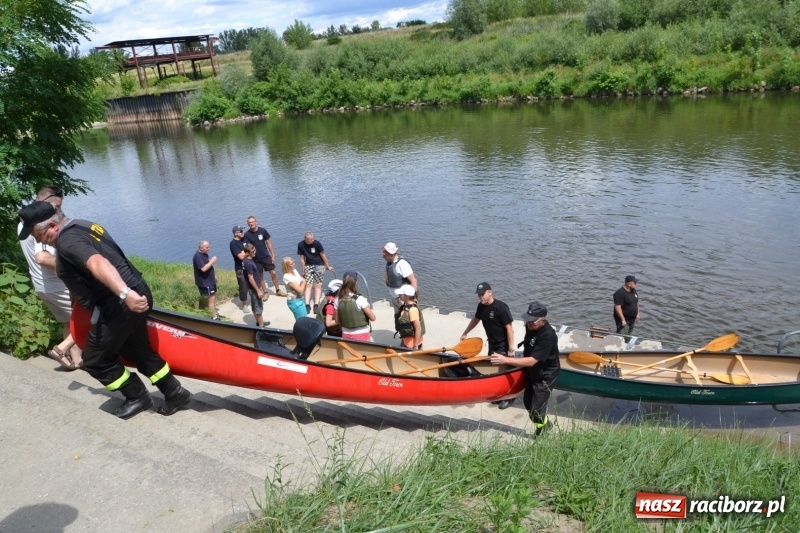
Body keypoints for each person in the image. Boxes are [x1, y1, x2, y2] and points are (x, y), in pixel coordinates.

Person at [19, 201, 192, 419]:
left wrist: (124, 294)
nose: (38, 240)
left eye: (37, 235)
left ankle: (136, 396)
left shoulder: (68, 240)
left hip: (120, 302)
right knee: (136, 349)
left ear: (53, 226)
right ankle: (175, 392)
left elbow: (97, 262)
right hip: (137, 289)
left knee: (95, 360)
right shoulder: (83, 224)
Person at [17, 185, 83, 370]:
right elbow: (42, 257)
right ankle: (61, 350)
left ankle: (76, 360)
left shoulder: (24, 221)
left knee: (67, 322)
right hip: (56, 285)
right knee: (87, 318)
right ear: (44, 202)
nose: (59, 211)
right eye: (56, 206)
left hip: (41, 285)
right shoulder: (40, 223)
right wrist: (75, 268)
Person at [491, 302, 560, 437]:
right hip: (532, 370)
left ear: (543, 320)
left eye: (532, 322)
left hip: (545, 374)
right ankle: (545, 424)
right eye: (527, 320)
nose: (528, 324)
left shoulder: (548, 336)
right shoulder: (531, 325)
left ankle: (543, 430)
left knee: (536, 409)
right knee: (527, 403)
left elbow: (532, 361)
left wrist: (505, 360)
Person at [460, 282, 516, 409]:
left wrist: (511, 349)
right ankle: (499, 395)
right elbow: (475, 319)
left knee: (505, 372)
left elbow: (509, 328)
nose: (481, 297)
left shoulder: (501, 307)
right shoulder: (481, 306)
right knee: (494, 371)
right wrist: (465, 332)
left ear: (490, 292)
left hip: (503, 345)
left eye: (483, 294)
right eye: (479, 295)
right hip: (492, 343)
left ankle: (510, 397)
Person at [242, 215, 286, 297]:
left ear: (256, 222)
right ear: (248, 224)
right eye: (249, 223)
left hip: (266, 256)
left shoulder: (262, 231)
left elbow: (268, 243)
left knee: (273, 273)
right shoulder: (247, 235)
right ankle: (265, 292)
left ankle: (278, 290)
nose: (251, 224)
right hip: (256, 259)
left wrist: (273, 255)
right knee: (260, 276)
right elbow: (247, 248)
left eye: (252, 222)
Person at [297, 232, 334, 315]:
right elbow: (302, 258)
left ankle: (316, 304)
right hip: (308, 265)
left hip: (319, 265)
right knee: (308, 285)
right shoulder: (300, 245)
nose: (313, 240)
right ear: (306, 239)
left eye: (313, 238)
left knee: (318, 286)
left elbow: (323, 254)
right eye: (311, 240)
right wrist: (303, 270)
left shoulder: (317, 244)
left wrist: (328, 266)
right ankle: (307, 305)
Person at [335, 276, 376, 342]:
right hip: (362, 334)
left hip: (346, 334)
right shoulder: (360, 299)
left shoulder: (337, 300)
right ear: (355, 284)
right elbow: (373, 318)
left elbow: (337, 320)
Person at [382, 242, 417, 312]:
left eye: (385, 255)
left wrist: (413, 298)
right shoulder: (389, 264)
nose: (383, 257)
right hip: (395, 299)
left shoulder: (402, 264)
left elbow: (413, 280)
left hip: (404, 300)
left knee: (407, 320)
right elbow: (387, 279)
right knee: (398, 320)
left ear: (391, 254)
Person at [242, 243, 269, 327]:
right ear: (247, 253)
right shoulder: (248, 263)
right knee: (258, 307)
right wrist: (258, 290)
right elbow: (250, 278)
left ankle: (259, 322)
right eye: (252, 251)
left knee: (254, 306)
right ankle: (261, 326)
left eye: (254, 250)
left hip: (254, 287)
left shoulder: (248, 260)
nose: (255, 252)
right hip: (254, 288)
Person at [193, 240, 219, 320]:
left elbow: (208, 266)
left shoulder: (205, 254)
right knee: (211, 299)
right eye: (207, 247)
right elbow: (203, 269)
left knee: (213, 297)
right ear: (201, 248)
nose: (209, 248)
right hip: (205, 282)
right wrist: (212, 261)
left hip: (210, 280)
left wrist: (214, 276)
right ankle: (214, 317)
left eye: (209, 247)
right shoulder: (197, 256)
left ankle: (213, 313)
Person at [395, 284, 424, 349]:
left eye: (400, 294)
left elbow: (418, 329)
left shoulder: (412, 310)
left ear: (406, 296)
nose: (399, 295)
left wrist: (416, 345)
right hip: (406, 341)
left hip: (411, 344)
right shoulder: (406, 306)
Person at [229, 225, 249, 314]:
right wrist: (247, 251)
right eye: (241, 231)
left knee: (253, 282)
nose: (242, 232)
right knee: (243, 286)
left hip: (249, 265)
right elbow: (240, 257)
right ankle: (244, 305)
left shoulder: (244, 239)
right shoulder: (233, 244)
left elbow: (252, 248)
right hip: (240, 268)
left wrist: (245, 251)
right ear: (236, 233)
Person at [613, 275, 640, 340]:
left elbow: (636, 302)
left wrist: (638, 314)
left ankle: (626, 342)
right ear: (628, 284)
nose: (636, 284)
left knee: (628, 335)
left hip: (632, 320)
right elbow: (617, 307)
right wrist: (623, 320)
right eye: (634, 282)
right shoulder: (619, 293)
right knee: (622, 337)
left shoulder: (633, 290)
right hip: (624, 321)